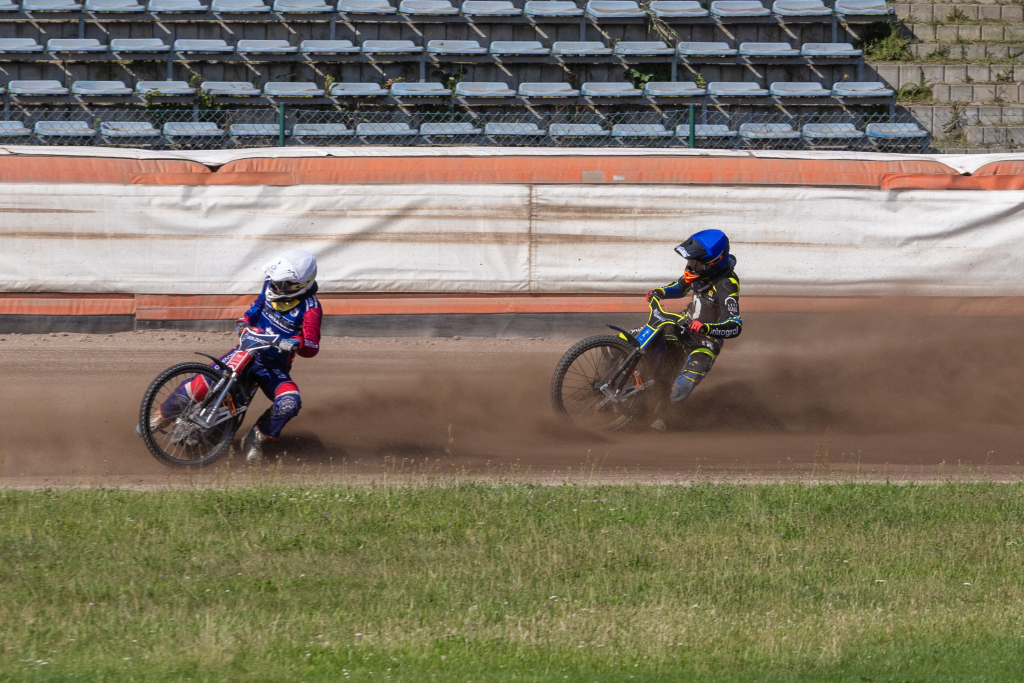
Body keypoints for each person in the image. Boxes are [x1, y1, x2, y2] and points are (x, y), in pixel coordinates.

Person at [143, 250, 322, 464]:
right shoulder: (270, 285)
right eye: (274, 281)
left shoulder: (311, 308)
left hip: (273, 367)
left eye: (282, 284)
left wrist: (293, 343)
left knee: (289, 403)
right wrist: (244, 323)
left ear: (300, 285)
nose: (275, 287)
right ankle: (162, 416)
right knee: (203, 384)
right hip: (245, 350)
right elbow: (254, 309)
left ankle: (254, 438)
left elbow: (311, 346)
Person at [646, 229, 742, 432]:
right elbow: (678, 287)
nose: (690, 267)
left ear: (713, 262)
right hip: (683, 327)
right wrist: (659, 292)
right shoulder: (699, 272)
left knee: (684, 383)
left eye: (695, 263)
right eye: (690, 262)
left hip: (706, 342)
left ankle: (662, 417)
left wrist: (707, 327)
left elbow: (734, 325)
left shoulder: (727, 285)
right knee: (640, 342)